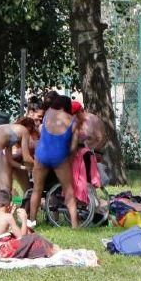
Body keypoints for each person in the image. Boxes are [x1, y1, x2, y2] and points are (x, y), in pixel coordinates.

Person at [28, 94, 80, 226]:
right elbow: (73, 147)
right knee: (68, 190)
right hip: (59, 157)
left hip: (42, 155)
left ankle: (32, 220)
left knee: (37, 189)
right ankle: (75, 224)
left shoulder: (48, 113)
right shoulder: (73, 121)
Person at [0, 189, 57, 258]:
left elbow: (2, 232)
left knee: (28, 233)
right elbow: (21, 237)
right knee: (34, 237)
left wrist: (10, 215)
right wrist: (24, 220)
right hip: (0, 251)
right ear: (10, 204)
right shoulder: (8, 217)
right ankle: (52, 249)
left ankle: (51, 248)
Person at [0, 118, 40, 196]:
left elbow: (10, 160)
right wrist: (37, 166)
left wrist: (24, 168)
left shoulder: (9, 130)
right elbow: (26, 157)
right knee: (5, 189)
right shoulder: (24, 131)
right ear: (29, 127)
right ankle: (5, 206)